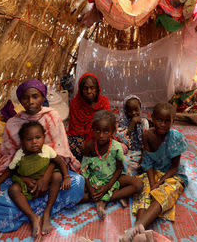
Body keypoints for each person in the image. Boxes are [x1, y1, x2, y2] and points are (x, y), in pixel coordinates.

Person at [0, 79, 84, 236]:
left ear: (43, 97)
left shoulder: (52, 116)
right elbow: (8, 161)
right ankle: (36, 212)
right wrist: (23, 179)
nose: (30, 101)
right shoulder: (12, 123)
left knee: (78, 183)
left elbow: (60, 155)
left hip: (49, 177)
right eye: (25, 98)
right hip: (21, 178)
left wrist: (45, 178)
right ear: (20, 100)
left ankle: (22, 213)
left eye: (35, 96)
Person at [0, 121, 71, 237]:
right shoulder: (20, 154)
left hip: (46, 185)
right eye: (29, 139)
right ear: (22, 142)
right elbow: (10, 170)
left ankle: (47, 212)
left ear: (44, 138)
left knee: (57, 176)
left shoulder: (48, 150)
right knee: (13, 189)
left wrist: (66, 177)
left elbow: (60, 162)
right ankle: (33, 217)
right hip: (28, 186)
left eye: (38, 137)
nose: (34, 142)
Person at [124, 103, 188, 240]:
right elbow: (147, 162)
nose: (163, 124)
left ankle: (135, 229)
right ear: (152, 118)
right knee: (146, 191)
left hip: (172, 174)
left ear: (173, 122)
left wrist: (159, 182)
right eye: (159, 120)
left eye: (167, 121)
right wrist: (153, 182)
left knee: (164, 193)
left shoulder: (176, 138)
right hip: (152, 171)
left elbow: (175, 167)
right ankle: (139, 233)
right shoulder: (147, 135)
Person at [80, 110, 143, 219]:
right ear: (93, 130)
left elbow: (118, 169)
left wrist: (106, 188)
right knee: (77, 196)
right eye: (97, 131)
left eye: (106, 131)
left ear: (113, 131)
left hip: (113, 178)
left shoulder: (116, 147)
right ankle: (102, 197)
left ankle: (104, 198)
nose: (101, 135)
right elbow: (85, 170)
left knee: (138, 185)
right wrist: (91, 189)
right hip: (95, 179)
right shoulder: (88, 147)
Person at [68, 73, 110, 161]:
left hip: (99, 135)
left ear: (97, 88)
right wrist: (86, 144)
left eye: (92, 88)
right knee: (70, 145)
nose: (89, 91)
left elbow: (106, 125)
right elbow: (75, 129)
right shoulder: (74, 104)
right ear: (80, 89)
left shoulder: (103, 102)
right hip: (80, 138)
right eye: (85, 88)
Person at [115, 95, 150, 175]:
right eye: (130, 111)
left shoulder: (144, 122)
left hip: (142, 152)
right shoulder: (122, 123)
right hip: (128, 152)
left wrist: (143, 155)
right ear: (125, 111)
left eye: (136, 110)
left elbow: (146, 141)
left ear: (140, 108)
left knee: (149, 161)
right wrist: (132, 124)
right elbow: (123, 139)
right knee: (122, 161)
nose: (133, 113)